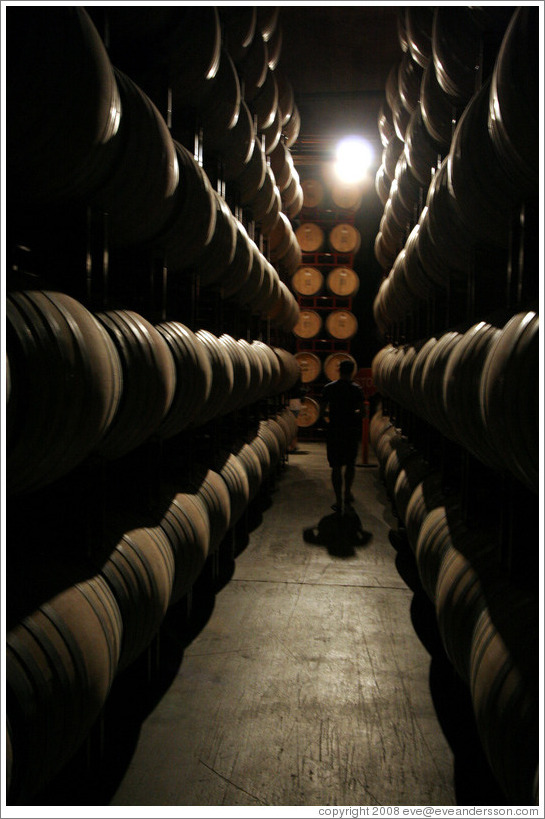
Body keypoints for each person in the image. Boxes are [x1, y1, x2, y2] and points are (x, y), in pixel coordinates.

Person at [320, 359, 364, 514]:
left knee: (336, 466)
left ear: (338, 370)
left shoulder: (329, 388)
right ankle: (347, 493)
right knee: (350, 464)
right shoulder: (357, 389)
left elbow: (322, 411)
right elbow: (362, 412)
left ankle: (338, 500)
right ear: (352, 371)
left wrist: (329, 420)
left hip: (335, 430)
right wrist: (353, 417)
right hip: (350, 430)